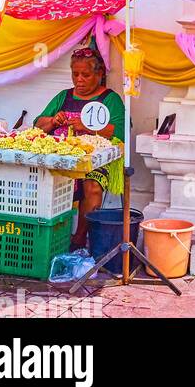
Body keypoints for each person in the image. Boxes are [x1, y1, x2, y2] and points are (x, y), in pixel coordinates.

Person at [35, 46, 125, 249]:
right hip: (63, 156)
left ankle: (79, 238)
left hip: (97, 160)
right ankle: (49, 234)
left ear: (99, 74)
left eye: (85, 75)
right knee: (45, 178)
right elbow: (37, 125)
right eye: (75, 74)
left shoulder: (110, 99)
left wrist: (89, 128)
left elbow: (119, 131)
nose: (79, 80)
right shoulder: (64, 96)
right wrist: (53, 120)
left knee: (92, 185)